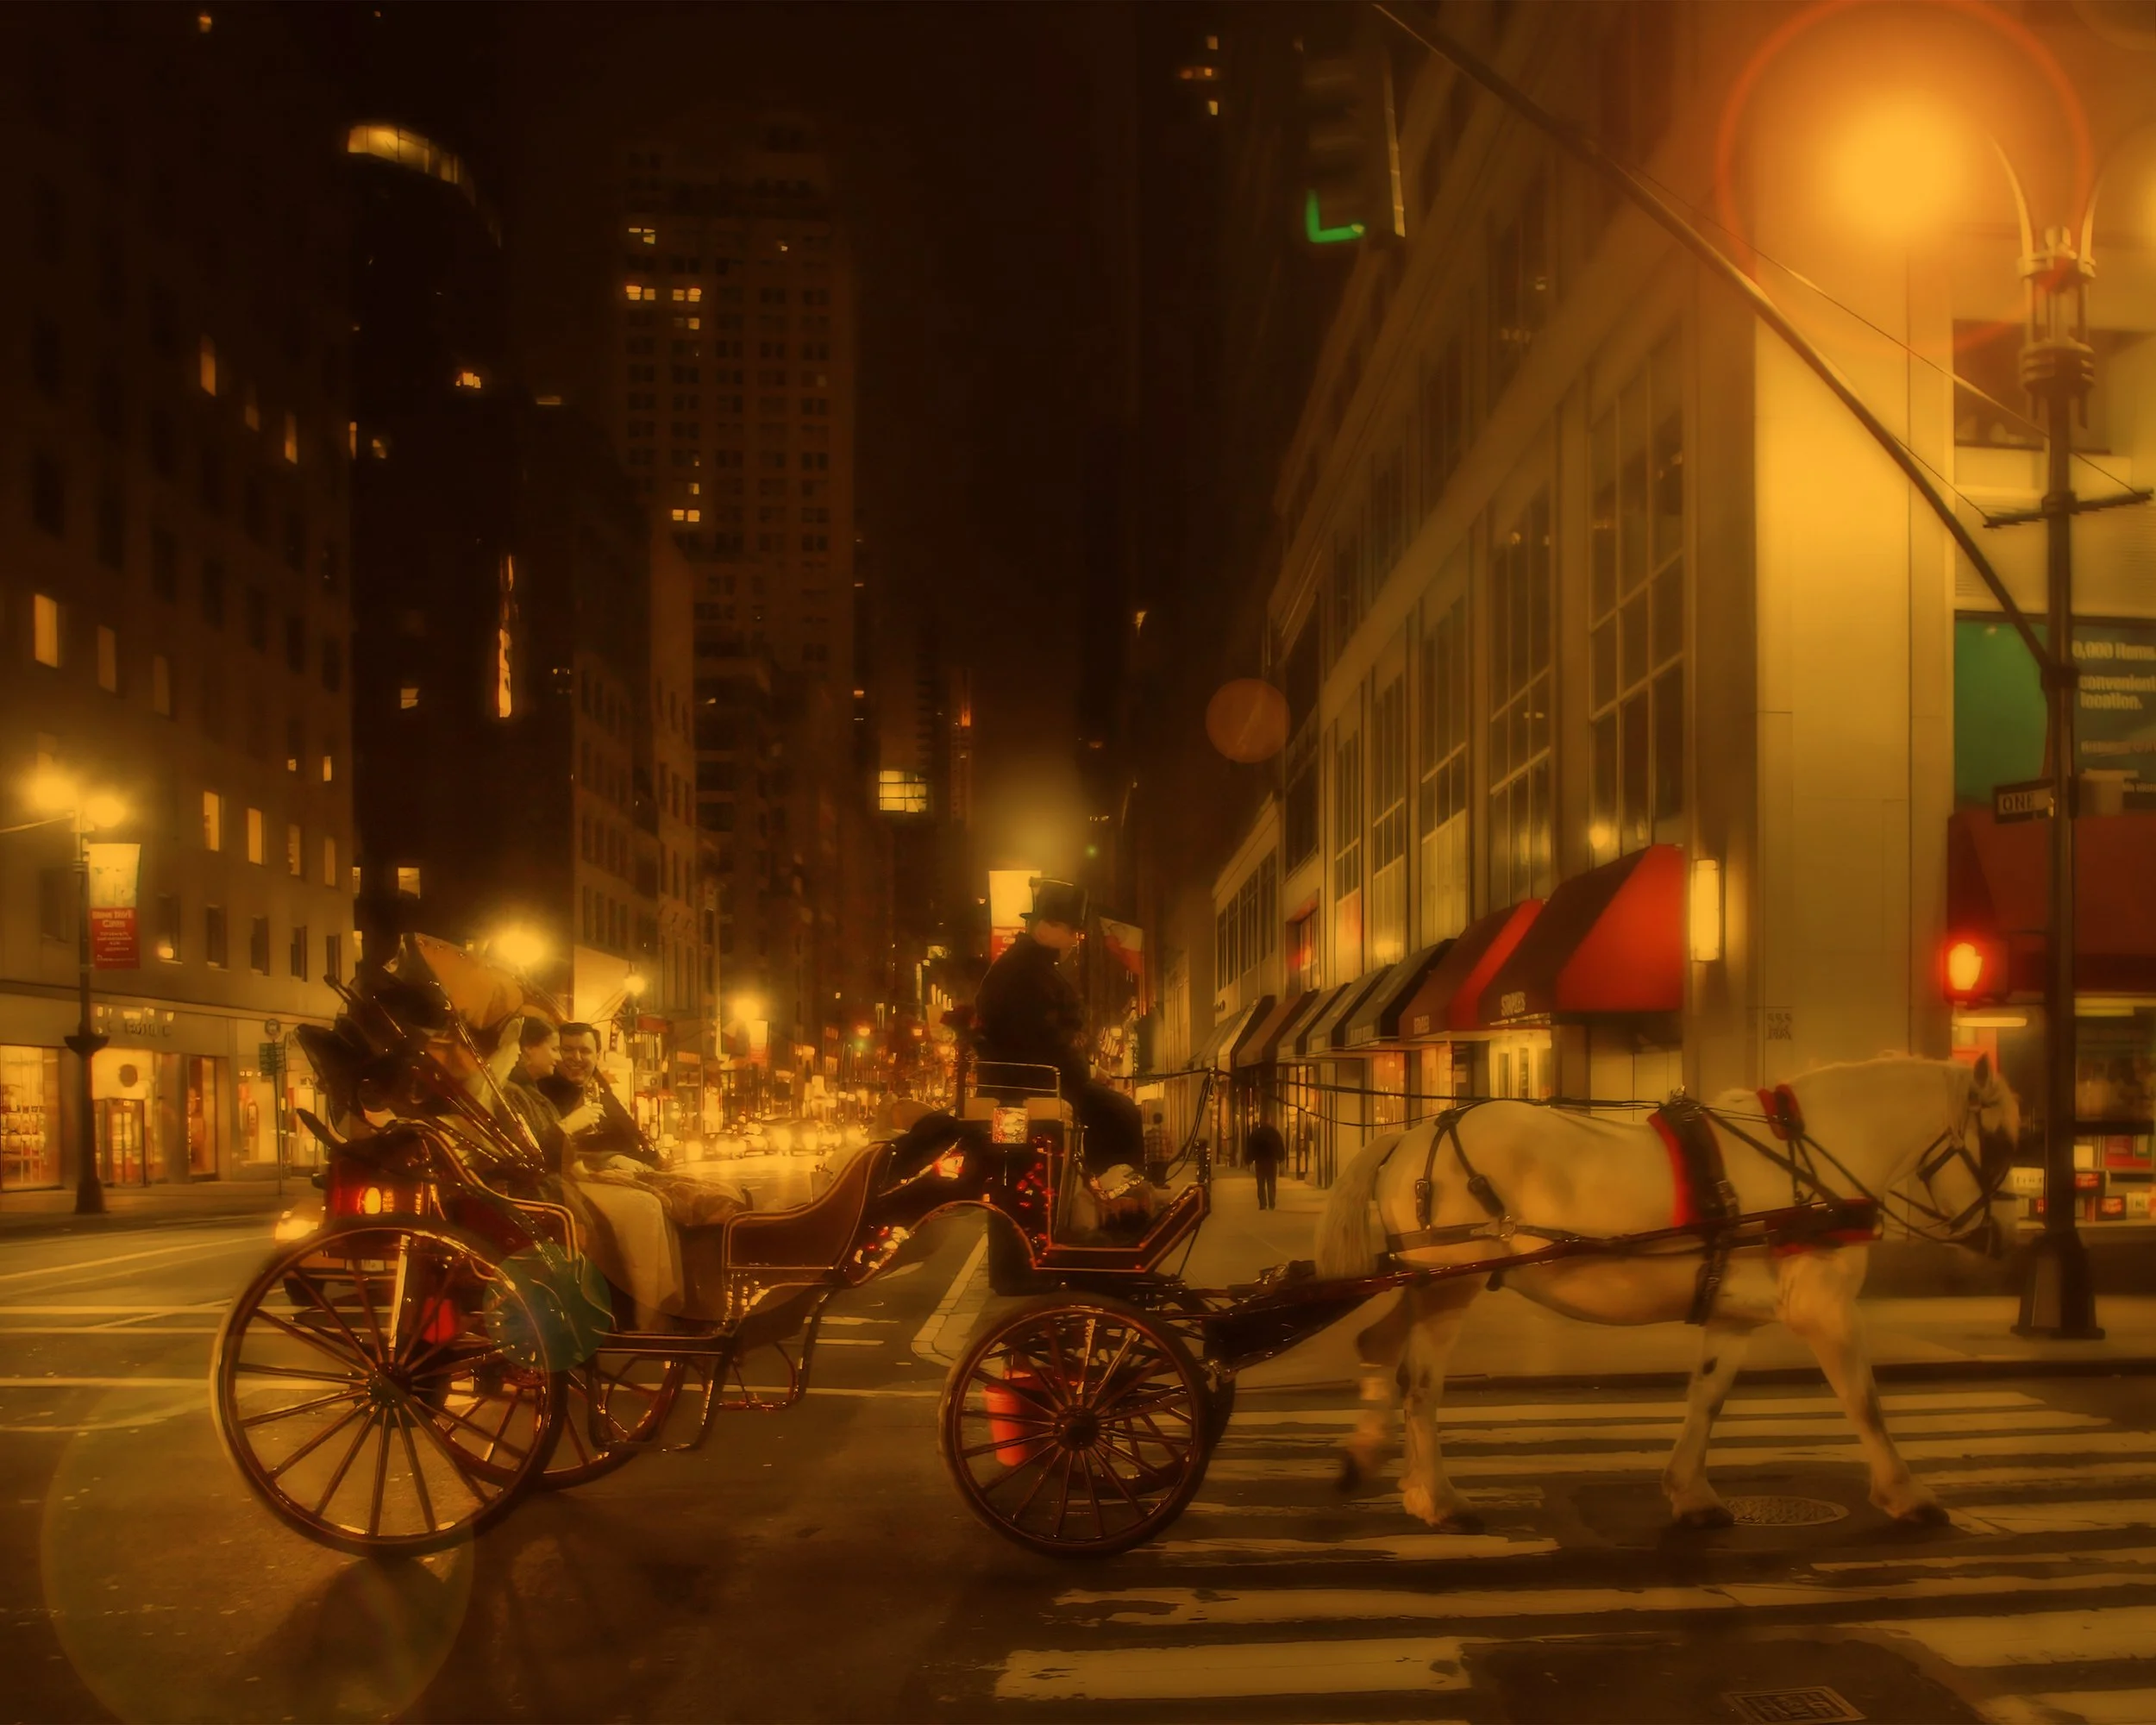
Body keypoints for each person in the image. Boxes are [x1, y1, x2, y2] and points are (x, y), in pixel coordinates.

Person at [971, 877, 1142, 1178]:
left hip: (1025, 1078)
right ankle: (1113, 1189)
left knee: (1116, 1109)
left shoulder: (1026, 967)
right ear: (1044, 928)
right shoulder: (1028, 974)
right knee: (1119, 1112)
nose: (1075, 940)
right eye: (1070, 931)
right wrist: (1088, 1071)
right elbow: (1044, 1042)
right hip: (1031, 1083)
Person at [542, 1021, 661, 1172]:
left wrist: (653, 1161)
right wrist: (607, 1160)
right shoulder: (542, 1094)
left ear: (597, 1055)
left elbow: (630, 1133)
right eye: (567, 1050)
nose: (576, 1057)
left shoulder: (601, 1089)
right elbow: (545, 1150)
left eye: (585, 1051)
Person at [1245, 1114, 1284, 1211]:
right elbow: (1279, 1145)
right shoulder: (1274, 1133)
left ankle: (1263, 1204)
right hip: (1271, 1161)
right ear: (1269, 1120)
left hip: (1260, 1161)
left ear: (1260, 1122)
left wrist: (1249, 1159)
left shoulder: (1256, 1133)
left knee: (1261, 1184)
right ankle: (1271, 1203)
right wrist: (1281, 1158)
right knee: (1271, 1182)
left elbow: (1251, 1147)